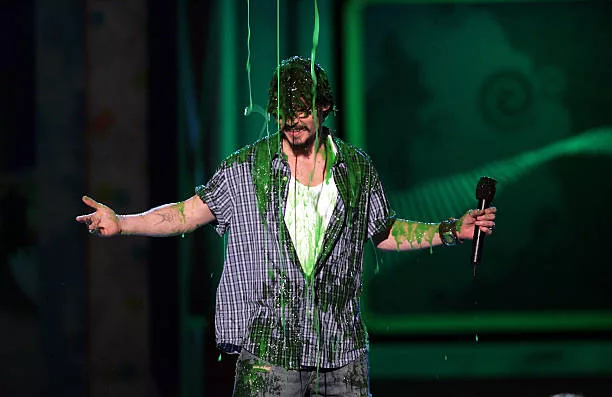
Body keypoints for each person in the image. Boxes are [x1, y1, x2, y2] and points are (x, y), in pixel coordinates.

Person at [77, 56, 496, 397]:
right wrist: (125, 223)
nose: (292, 122)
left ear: (324, 108)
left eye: (301, 112)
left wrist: (448, 230)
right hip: (269, 356)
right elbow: (186, 214)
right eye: (283, 113)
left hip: (341, 353)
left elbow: (383, 232)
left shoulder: (355, 170)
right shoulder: (246, 169)